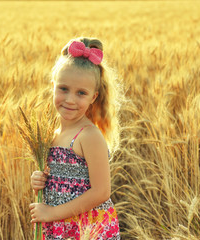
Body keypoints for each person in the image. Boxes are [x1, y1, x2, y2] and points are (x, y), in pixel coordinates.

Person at [29, 37, 121, 239]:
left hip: (87, 229)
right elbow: (55, 178)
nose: (70, 99)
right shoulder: (52, 135)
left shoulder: (89, 136)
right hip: (59, 228)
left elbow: (101, 191)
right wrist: (39, 180)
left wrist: (52, 213)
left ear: (93, 97)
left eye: (81, 93)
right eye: (63, 89)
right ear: (53, 86)